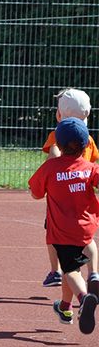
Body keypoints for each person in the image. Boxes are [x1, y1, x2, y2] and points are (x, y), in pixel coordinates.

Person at [29, 117, 99, 334]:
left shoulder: (50, 168)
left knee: (70, 270)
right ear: (87, 145)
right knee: (75, 263)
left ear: (57, 145)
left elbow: (36, 193)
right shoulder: (90, 168)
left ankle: (83, 297)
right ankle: (65, 307)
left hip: (62, 231)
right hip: (86, 227)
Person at [39, 88, 99, 290]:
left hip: (61, 200)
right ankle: (93, 274)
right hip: (83, 198)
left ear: (59, 114)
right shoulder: (87, 139)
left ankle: (55, 271)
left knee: (53, 233)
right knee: (86, 238)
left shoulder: (57, 136)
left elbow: (53, 160)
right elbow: (93, 161)